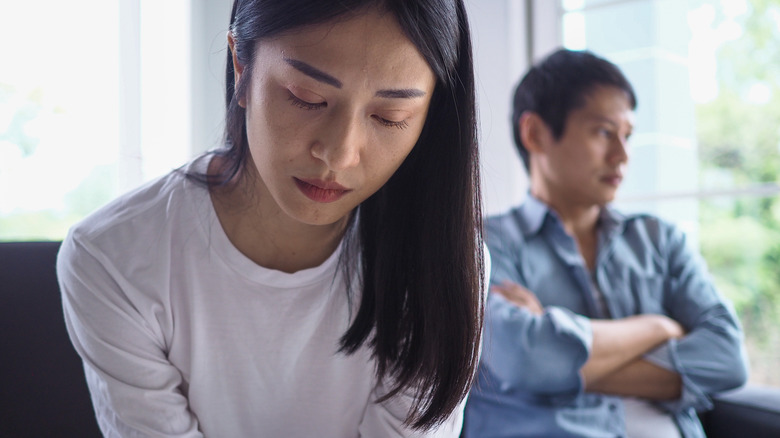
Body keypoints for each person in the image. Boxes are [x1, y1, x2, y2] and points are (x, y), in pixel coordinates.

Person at [57, 1, 487, 436]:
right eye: (308, 98)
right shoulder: (113, 258)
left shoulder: (446, 267)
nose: (339, 154)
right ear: (240, 67)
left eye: (389, 117)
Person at [464, 49, 748, 438]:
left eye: (627, 136)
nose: (622, 155)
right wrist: (657, 327)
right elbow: (526, 361)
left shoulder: (660, 240)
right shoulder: (483, 245)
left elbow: (728, 358)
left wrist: (561, 363)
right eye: (603, 132)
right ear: (535, 133)